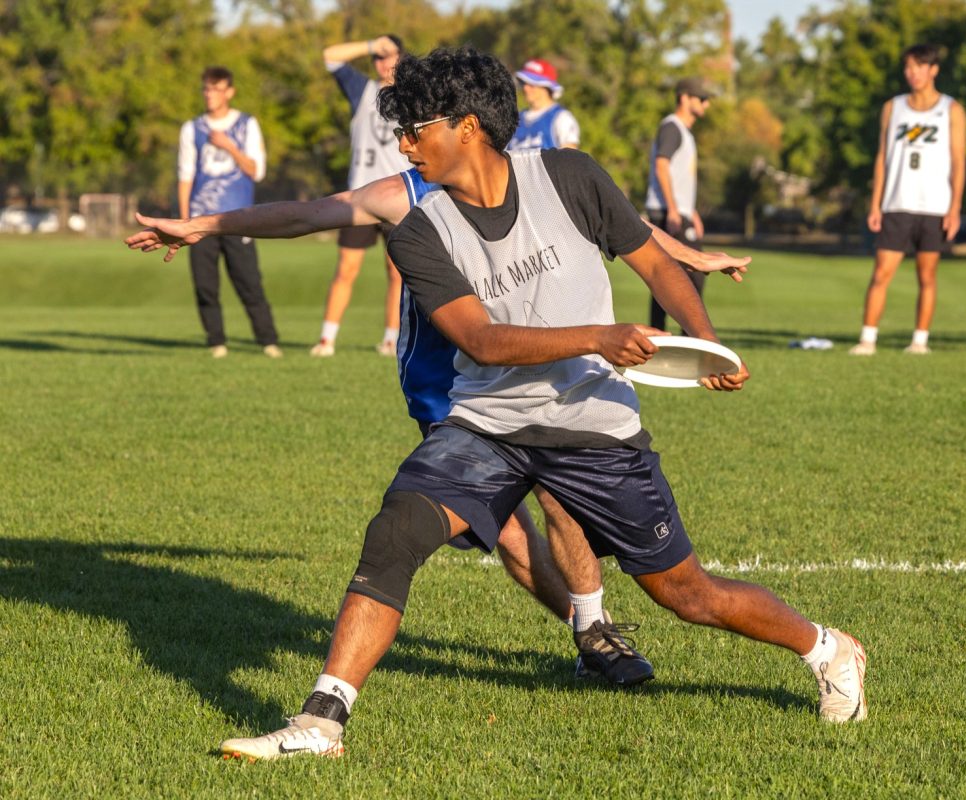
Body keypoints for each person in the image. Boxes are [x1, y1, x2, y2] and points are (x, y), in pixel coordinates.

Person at [173, 47, 863, 760]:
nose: (403, 143)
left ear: (467, 126)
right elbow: (482, 339)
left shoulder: (571, 176)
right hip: (488, 423)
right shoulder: (418, 229)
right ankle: (322, 721)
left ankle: (830, 649)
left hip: (594, 424)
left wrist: (707, 345)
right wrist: (600, 334)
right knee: (395, 532)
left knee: (687, 596)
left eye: (416, 128)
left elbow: (654, 260)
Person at [128, 116, 751, 696]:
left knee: (563, 502)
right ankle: (582, 622)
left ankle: (595, 631)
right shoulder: (403, 194)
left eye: (416, 126)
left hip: (543, 370)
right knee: (503, 529)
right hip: (445, 380)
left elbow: (619, 224)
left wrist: (692, 260)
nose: (407, 141)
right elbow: (304, 215)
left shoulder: (537, 178)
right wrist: (202, 226)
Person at [850, 44, 966, 356]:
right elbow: (882, 157)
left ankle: (919, 341)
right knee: (881, 274)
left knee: (927, 276)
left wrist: (955, 208)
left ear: (933, 70)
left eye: (918, 67)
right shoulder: (893, 107)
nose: (912, 73)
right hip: (896, 204)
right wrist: (875, 204)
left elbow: (958, 161)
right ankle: (867, 339)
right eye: (908, 68)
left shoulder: (951, 109)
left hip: (934, 207)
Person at [310, 35, 411, 358]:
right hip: (361, 196)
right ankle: (327, 339)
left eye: (390, 56)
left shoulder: (415, 97)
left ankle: (391, 339)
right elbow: (330, 55)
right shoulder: (363, 91)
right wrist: (371, 45)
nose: (384, 63)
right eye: (379, 58)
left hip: (398, 196)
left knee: (398, 272)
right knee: (346, 269)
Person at [177, 66, 280, 359]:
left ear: (230, 92)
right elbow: (185, 177)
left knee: (249, 283)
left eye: (216, 89)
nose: (210, 95)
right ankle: (216, 342)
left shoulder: (246, 125)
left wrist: (229, 146)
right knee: (205, 285)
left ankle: (268, 341)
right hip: (201, 220)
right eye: (206, 89)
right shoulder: (192, 128)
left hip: (238, 219)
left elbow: (256, 171)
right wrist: (186, 223)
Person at [646, 77, 710, 331]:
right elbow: (662, 165)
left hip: (678, 211)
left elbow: (679, 175)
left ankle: (670, 337)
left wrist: (690, 211)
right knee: (684, 275)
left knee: (674, 276)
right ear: (684, 98)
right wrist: (673, 209)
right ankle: (680, 338)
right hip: (667, 213)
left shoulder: (684, 131)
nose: (706, 104)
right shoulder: (672, 127)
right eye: (701, 98)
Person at [507, 59, 580, 151]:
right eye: (523, 83)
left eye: (532, 84)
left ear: (547, 87)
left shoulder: (561, 118)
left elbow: (569, 158)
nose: (525, 88)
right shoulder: (515, 121)